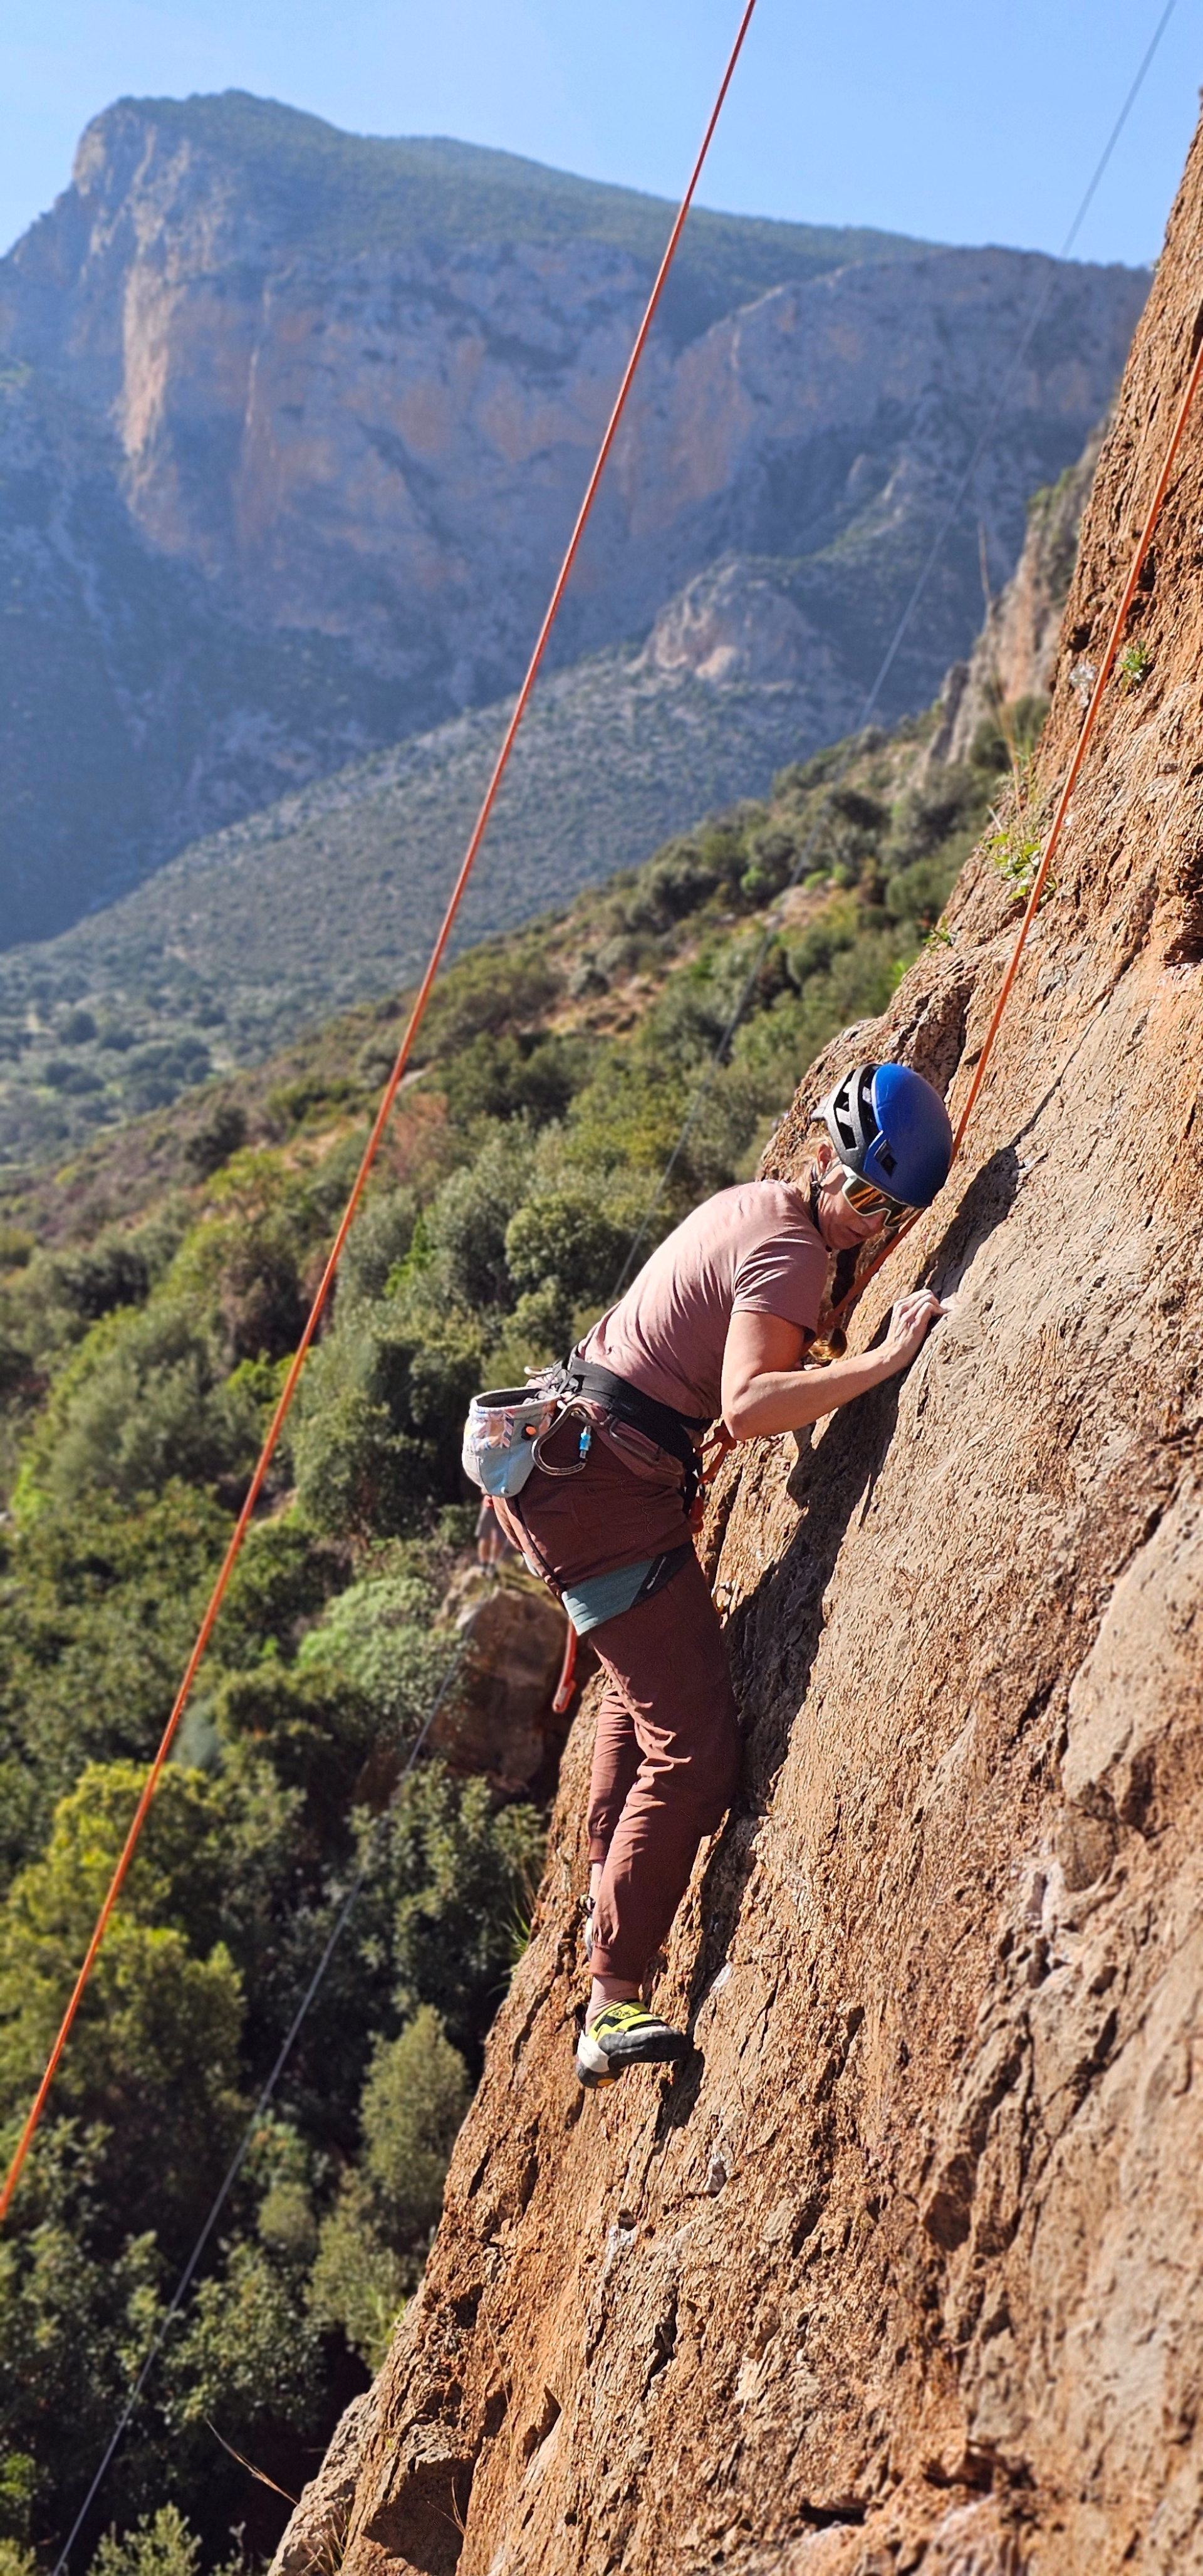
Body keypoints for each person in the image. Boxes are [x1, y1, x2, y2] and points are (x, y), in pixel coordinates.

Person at [492, 1060, 953, 2088]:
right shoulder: (794, 1249)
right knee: (697, 1750)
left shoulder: (761, 1207)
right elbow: (747, 1403)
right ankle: (611, 2001)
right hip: (602, 1500)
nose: (873, 1222)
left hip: (578, 1470)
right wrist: (879, 1363)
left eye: (890, 1210)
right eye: (868, 1195)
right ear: (833, 1166)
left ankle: (606, 1879)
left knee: (640, 1685)